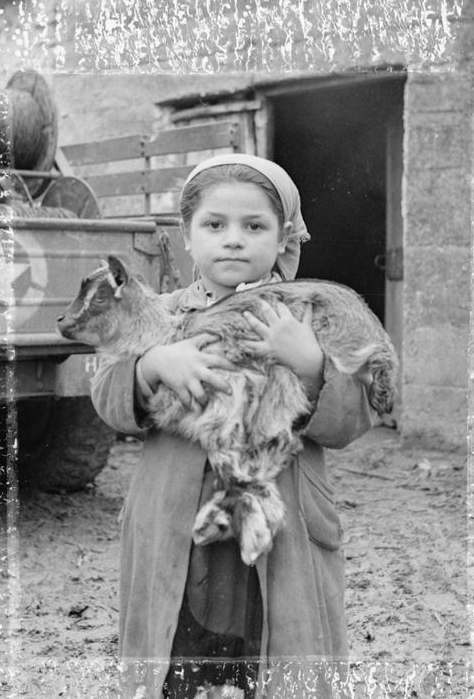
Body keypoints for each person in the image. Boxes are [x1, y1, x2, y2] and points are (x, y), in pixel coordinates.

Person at [90, 153, 375, 699]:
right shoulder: (158, 313)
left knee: (273, 654)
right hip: (177, 521)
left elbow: (353, 418)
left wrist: (311, 363)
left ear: (283, 236)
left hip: (280, 526)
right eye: (214, 225)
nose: (234, 240)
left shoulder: (307, 315)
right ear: (187, 236)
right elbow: (105, 394)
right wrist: (152, 367)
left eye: (254, 226)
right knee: (177, 655)